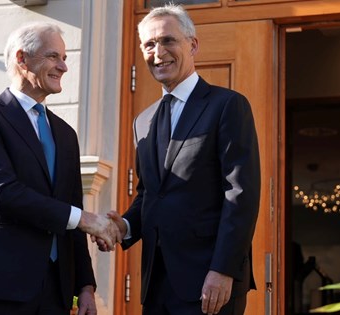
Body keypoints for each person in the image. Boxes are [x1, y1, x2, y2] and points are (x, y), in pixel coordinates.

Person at [95, 4, 261, 315]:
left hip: (210, 283)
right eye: (149, 44)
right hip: (157, 285)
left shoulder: (227, 106)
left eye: (168, 41)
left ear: (193, 44)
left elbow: (241, 195)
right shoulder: (142, 121)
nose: (158, 52)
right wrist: (125, 227)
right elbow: (150, 194)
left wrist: (223, 270)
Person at [0, 22, 121, 315]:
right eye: (54, 56)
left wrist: (85, 287)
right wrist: (85, 219)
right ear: (22, 58)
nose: (64, 67)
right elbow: (3, 193)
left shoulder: (65, 134)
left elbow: (72, 209)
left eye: (64, 58)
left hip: (56, 290)